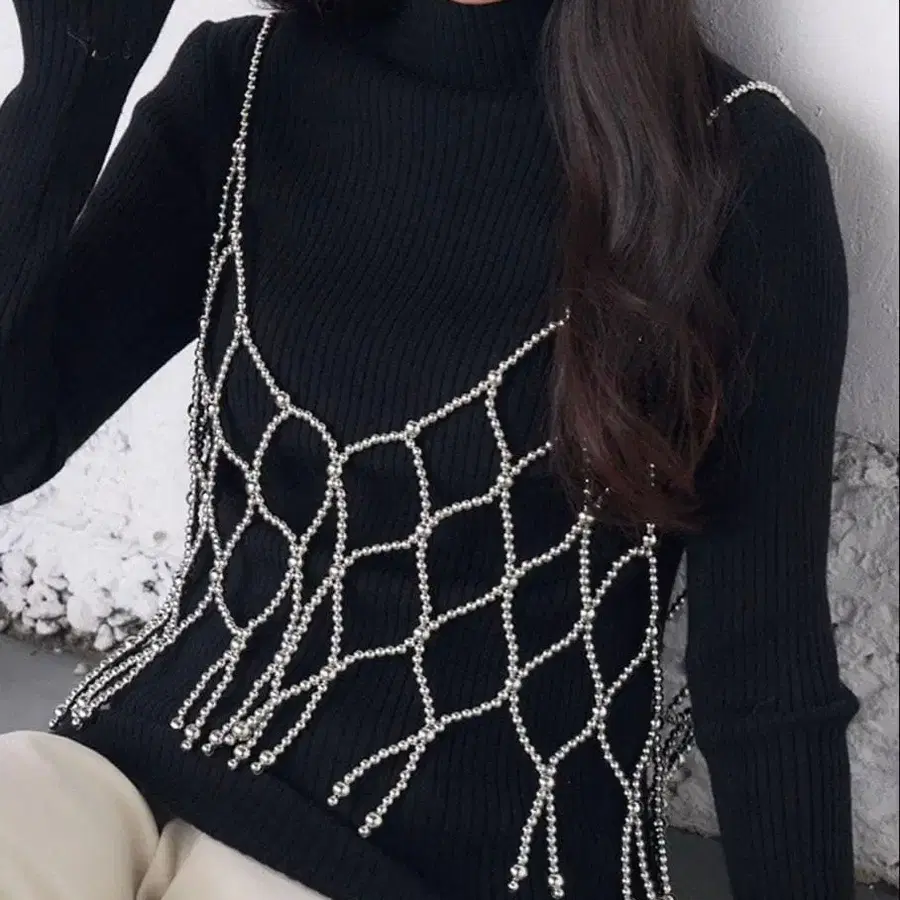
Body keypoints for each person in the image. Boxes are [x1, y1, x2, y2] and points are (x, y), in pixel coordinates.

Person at [0, 0, 860, 898]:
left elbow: (765, 673)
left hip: (438, 856)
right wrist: (76, 68)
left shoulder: (734, 171)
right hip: (142, 758)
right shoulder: (245, 84)